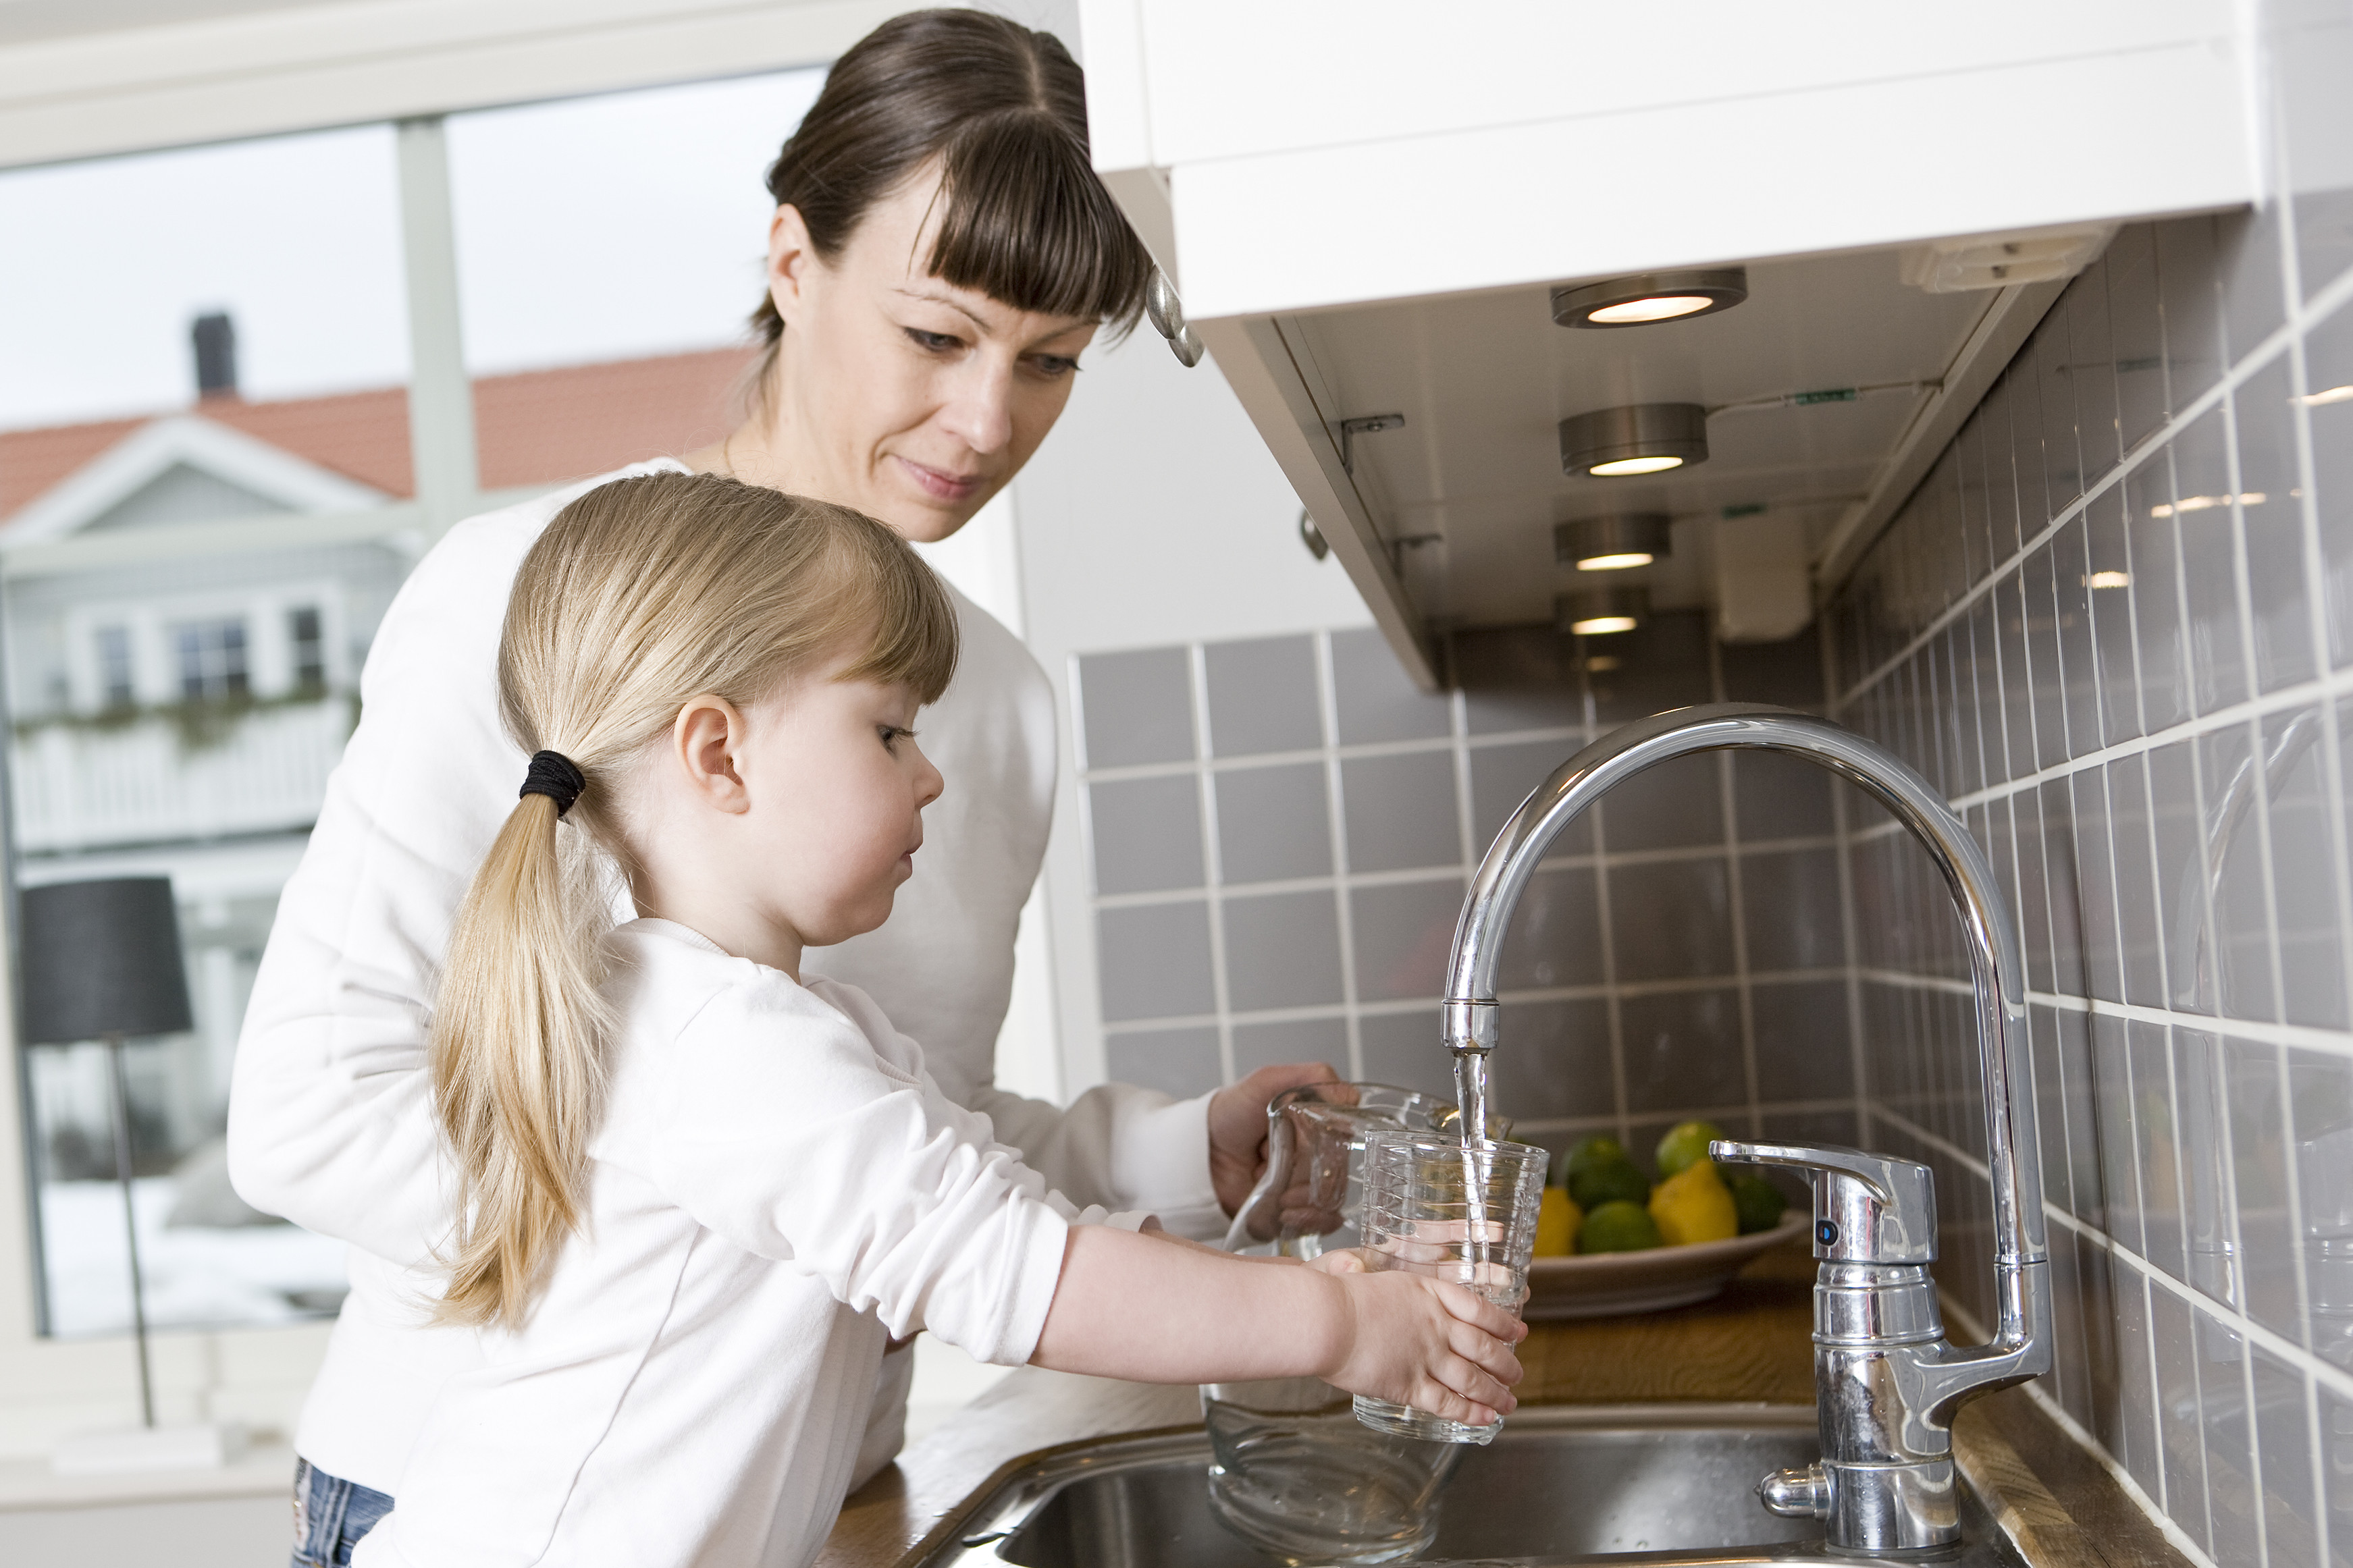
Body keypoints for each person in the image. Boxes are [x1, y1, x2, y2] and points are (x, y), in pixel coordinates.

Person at [229, 11, 1337, 1563]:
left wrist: (1171, 1156)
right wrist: (708, 1250)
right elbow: (308, 1113)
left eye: (1051, 364)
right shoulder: (530, 597)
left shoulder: (995, 698)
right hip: (475, 1496)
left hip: (797, 1495)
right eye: (938, 336)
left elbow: (884, 1124)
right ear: (790, 262)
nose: (987, 421)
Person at [344, 472, 1520, 1567]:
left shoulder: (784, 1024)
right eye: (890, 731)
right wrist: (1338, 1323)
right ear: (719, 754)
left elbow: (1024, 1223)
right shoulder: (727, 1049)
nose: (930, 775)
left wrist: (1340, 1270)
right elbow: (1022, 1282)